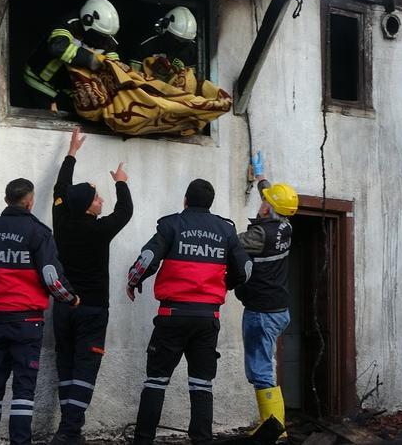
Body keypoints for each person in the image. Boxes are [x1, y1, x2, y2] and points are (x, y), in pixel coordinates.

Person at [125, 179, 253, 445]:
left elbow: (147, 260)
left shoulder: (171, 224)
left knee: (156, 382)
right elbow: (246, 269)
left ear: (185, 200)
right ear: (210, 203)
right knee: (202, 384)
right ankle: (202, 440)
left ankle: (143, 440)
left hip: (172, 316)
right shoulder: (226, 230)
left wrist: (133, 281)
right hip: (208, 318)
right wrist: (226, 284)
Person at [0, 178, 79, 445]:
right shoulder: (38, 232)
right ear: (29, 202)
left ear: (7, 200)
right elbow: (52, 277)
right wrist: (70, 299)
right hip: (28, 323)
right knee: (23, 390)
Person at [50, 127, 133, 445]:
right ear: (87, 206)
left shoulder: (62, 221)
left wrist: (71, 154)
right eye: (97, 198)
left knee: (66, 364)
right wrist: (121, 182)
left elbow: (60, 188)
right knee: (85, 368)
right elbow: (125, 211)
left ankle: (68, 431)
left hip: (63, 307)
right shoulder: (99, 230)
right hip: (93, 309)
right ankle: (70, 431)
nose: (101, 201)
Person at [234, 152, 298, 435]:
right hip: (278, 310)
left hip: (262, 312)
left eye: (265, 201)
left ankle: (275, 430)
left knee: (260, 370)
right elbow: (273, 199)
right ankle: (271, 425)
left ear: (266, 210)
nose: (262, 202)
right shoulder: (286, 225)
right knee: (262, 367)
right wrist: (261, 178)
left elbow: (230, 245)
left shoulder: (260, 236)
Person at [23, 0, 121, 112]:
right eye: (99, 35)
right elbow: (57, 47)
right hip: (39, 80)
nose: (102, 41)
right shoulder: (69, 23)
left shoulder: (106, 37)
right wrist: (91, 59)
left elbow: (114, 64)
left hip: (67, 88)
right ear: (87, 20)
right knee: (46, 117)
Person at [129, 6, 198, 81]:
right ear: (165, 29)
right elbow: (134, 75)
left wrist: (183, 71)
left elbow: (194, 79)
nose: (180, 43)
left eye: (185, 41)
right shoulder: (148, 46)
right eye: (176, 39)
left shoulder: (194, 49)